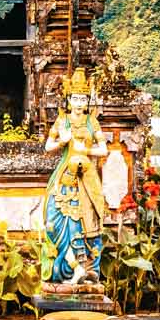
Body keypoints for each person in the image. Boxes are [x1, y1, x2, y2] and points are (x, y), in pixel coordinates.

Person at [41, 69, 110, 283]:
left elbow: (104, 150)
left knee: (87, 223)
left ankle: (87, 269)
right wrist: (63, 141)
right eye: (76, 99)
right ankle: (64, 269)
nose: (79, 103)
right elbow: (47, 146)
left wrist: (85, 150)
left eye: (83, 99)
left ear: (88, 101)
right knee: (55, 220)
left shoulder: (92, 122)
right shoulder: (63, 121)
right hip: (64, 176)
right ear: (69, 100)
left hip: (86, 178)